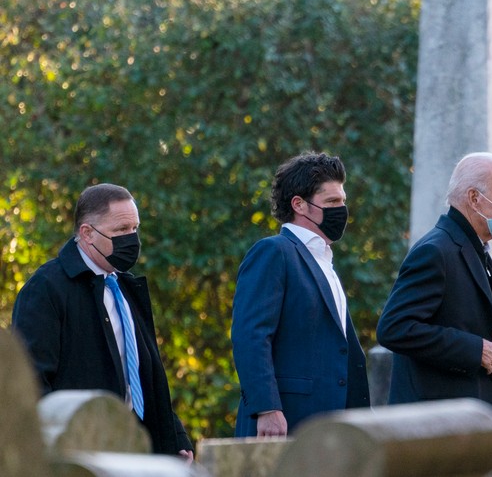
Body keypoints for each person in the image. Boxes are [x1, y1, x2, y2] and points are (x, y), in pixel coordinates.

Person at [11, 183, 193, 459]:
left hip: (137, 447)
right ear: (87, 234)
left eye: (134, 228)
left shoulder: (127, 288)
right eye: (121, 230)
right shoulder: (46, 289)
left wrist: (176, 437)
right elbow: (32, 382)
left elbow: (146, 375)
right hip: (81, 449)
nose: (131, 239)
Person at [376, 152, 492, 430]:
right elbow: (394, 327)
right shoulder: (436, 251)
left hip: (466, 421)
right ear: (474, 198)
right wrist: (473, 348)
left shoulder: (471, 247)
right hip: (438, 425)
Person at [231, 152, 369, 437]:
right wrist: (267, 408)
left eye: (343, 201)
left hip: (331, 426)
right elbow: (251, 336)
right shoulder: (274, 252)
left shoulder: (324, 262)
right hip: (285, 421)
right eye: (332, 202)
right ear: (299, 205)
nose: (341, 210)